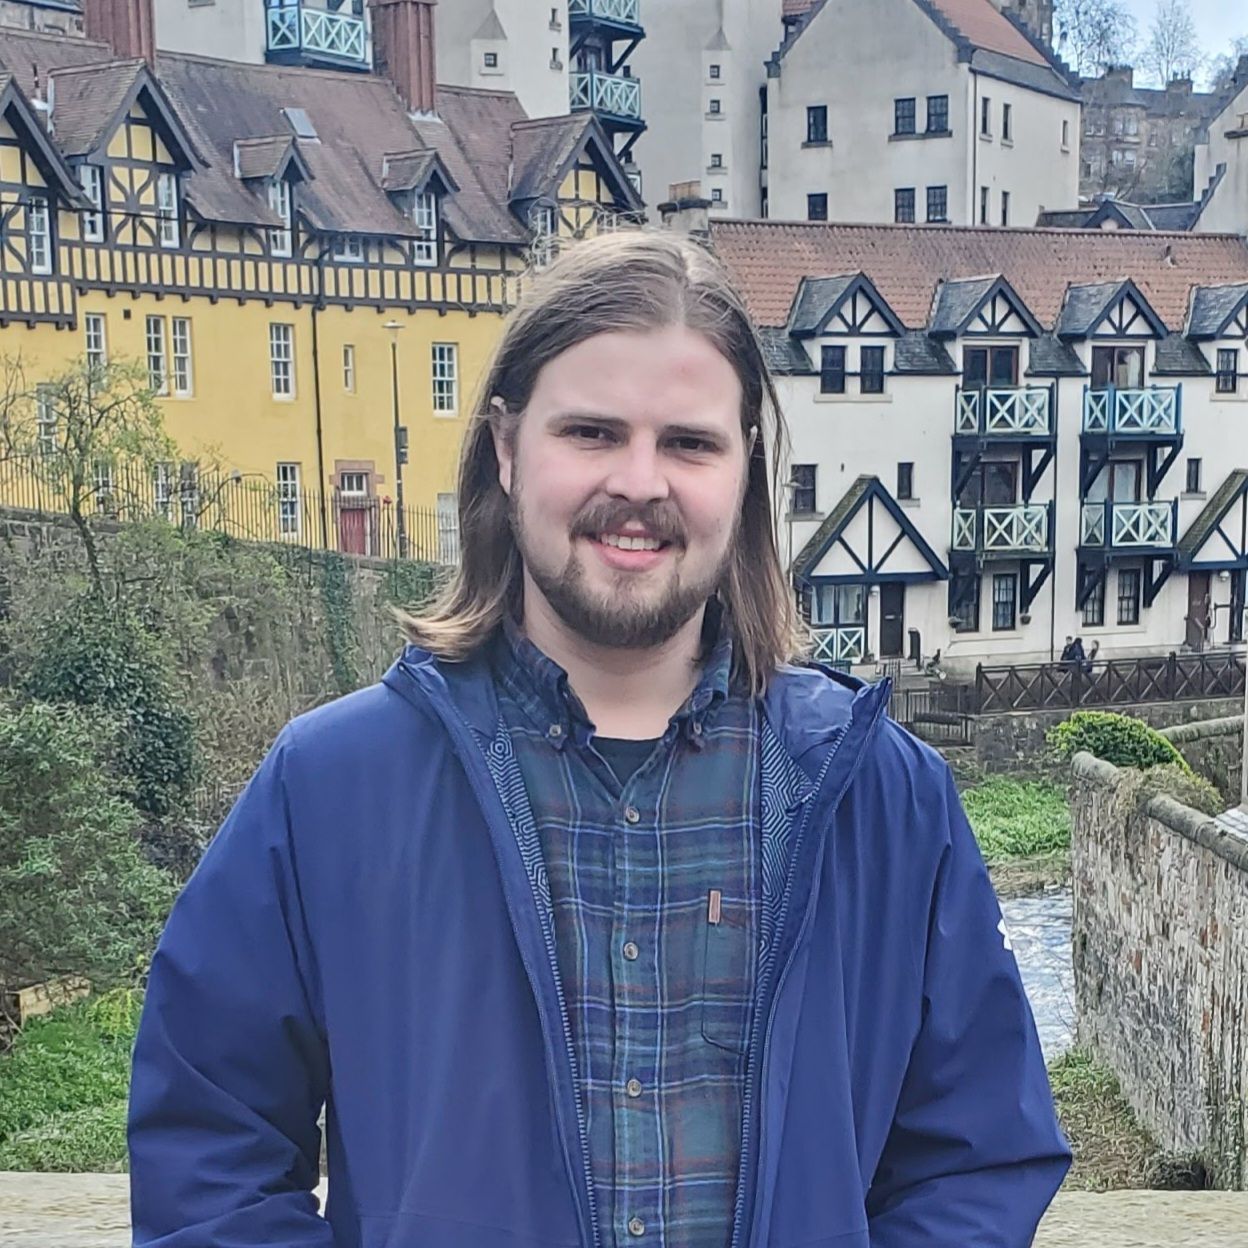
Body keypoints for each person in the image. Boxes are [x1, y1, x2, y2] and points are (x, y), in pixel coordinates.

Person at [129, 231, 1069, 1248]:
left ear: (746, 466)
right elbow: (208, 1146)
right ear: (506, 447)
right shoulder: (329, 789)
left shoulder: (884, 798)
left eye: (690, 444)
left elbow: (977, 1156)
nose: (640, 483)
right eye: (591, 432)